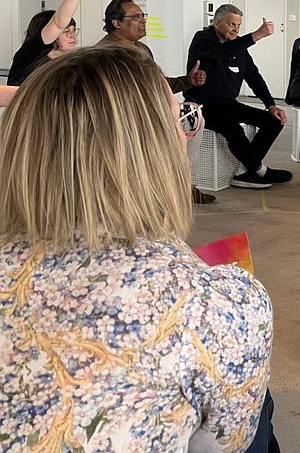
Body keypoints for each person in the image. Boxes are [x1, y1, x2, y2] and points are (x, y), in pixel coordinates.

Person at [0, 45, 273, 451]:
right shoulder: (221, 306)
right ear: (156, 149)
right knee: (258, 408)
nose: (186, 136)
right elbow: (228, 443)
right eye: (180, 123)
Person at [97, 0, 215, 204]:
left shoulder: (141, 48)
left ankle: (183, 182)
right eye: (135, 17)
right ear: (116, 23)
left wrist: (187, 81)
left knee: (194, 116)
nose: (143, 20)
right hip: (126, 117)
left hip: (151, 110)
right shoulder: (108, 53)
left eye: (143, 16)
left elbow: (157, 84)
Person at [185, 4, 291, 189]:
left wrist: (271, 105)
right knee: (233, 129)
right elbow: (221, 52)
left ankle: (245, 171)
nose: (236, 29)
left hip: (228, 104)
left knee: (273, 121)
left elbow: (254, 77)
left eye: (238, 25)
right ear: (217, 23)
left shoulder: (239, 47)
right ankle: (260, 170)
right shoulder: (203, 38)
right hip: (202, 105)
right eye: (231, 24)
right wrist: (256, 35)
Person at [7, 0, 98, 85]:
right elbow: (58, 22)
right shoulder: (31, 53)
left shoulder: (67, 59)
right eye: (66, 31)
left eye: (73, 30)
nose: (73, 36)